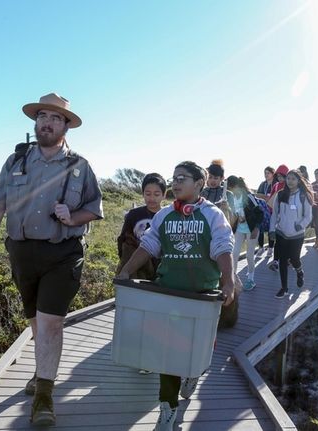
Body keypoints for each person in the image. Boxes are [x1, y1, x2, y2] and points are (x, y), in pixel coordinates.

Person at [0, 93, 104, 426]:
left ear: (66, 126)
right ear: (36, 122)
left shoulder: (79, 167)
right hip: (22, 253)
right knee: (35, 320)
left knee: (51, 322)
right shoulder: (15, 161)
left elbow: (95, 209)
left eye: (55, 118)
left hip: (62, 254)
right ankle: (41, 371)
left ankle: (45, 397)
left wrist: (73, 217)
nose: (47, 123)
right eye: (42, 116)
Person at [117, 161, 235, 431]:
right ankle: (167, 409)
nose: (176, 182)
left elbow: (222, 247)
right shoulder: (164, 215)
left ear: (198, 183)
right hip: (168, 292)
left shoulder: (213, 215)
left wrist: (227, 282)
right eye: (174, 178)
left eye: (182, 178)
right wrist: (126, 272)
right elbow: (148, 245)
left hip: (203, 296)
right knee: (166, 353)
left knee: (198, 351)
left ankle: (194, 372)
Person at [268, 170, 313, 298]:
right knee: (282, 260)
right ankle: (284, 287)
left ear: (299, 181)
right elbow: (275, 214)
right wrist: (272, 230)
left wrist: (300, 225)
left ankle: (299, 271)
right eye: (288, 178)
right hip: (281, 232)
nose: (290, 181)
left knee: (294, 259)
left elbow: (308, 216)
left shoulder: (304, 196)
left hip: (297, 234)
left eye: (293, 179)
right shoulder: (280, 194)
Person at [116, 173, 166, 280]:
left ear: (164, 195)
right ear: (143, 193)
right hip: (135, 266)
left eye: (156, 194)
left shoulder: (167, 216)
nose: (152, 198)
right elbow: (123, 239)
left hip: (160, 267)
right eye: (148, 194)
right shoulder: (134, 214)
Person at [227, 176, 264, 291]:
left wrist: (256, 229)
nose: (230, 190)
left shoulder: (249, 197)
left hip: (251, 229)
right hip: (239, 229)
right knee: (234, 254)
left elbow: (260, 213)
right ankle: (233, 279)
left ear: (237, 186)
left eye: (231, 187)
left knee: (249, 255)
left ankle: (251, 279)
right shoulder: (232, 198)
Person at [267, 165, 289, 271]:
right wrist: (270, 210)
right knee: (278, 239)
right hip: (276, 214)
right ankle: (275, 260)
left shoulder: (289, 186)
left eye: (282, 176)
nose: (280, 178)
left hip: (287, 217)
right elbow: (271, 198)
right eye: (278, 176)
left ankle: (286, 258)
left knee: (286, 240)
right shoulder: (276, 185)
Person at [256, 166, 276, 252]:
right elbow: (257, 195)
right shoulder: (262, 184)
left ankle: (271, 248)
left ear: (273, 174)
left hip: (272, 209)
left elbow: (274, 197)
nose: (266, 175)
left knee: (271, 228)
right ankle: (261, 247)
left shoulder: (275, 184)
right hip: (262, 209)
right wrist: (265, 197)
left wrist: (266, 197)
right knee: (260, 228)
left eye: (268, 173)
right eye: (265, 173)